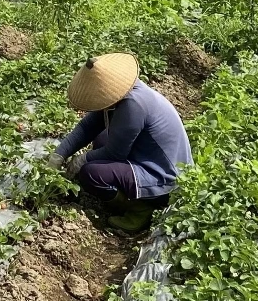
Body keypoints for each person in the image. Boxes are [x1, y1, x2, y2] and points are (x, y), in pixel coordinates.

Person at [48, 53, 192, 231]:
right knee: (101, 138)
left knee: (91, 174)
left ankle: (140, 209)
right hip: (151, 157)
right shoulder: (123, 94)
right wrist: (59, 154)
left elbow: (115, 153)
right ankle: (130, 192)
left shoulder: (133, 105)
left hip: (165, 177)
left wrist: (81, 160)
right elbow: (88, 127)